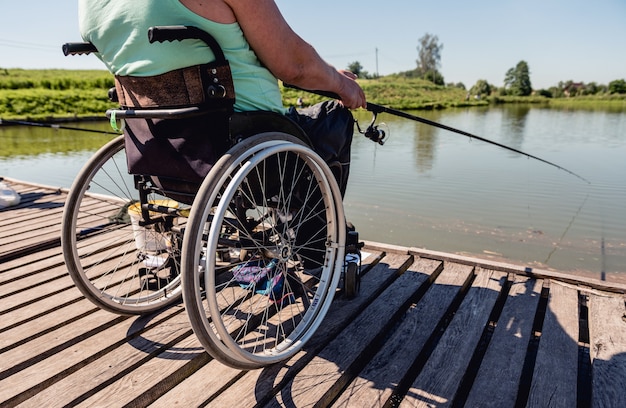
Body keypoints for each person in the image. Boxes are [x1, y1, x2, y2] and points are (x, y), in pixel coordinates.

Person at [78, 0, 367, 195]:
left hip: (157, 150)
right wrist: (342, 85)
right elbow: (294, 65)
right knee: (333, 116)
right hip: (243, 145)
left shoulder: (92, 5)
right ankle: (315, 249)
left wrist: (327, 73)